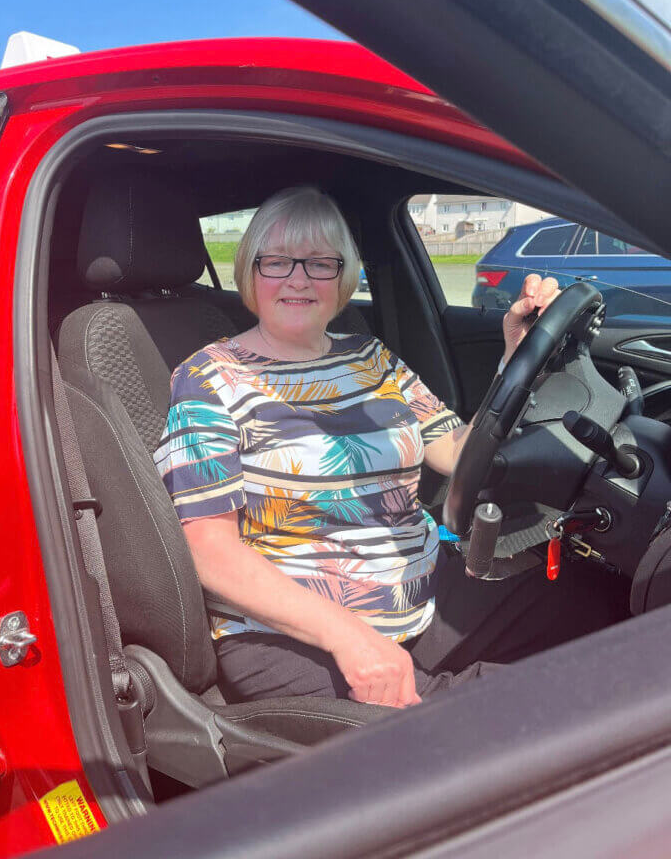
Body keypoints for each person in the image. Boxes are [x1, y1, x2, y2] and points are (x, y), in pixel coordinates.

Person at [154, 187, 627, 708]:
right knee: (530, 708)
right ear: (250, 270)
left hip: (421, 589)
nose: (298, 278)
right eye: (277, 261)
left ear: (343, 276)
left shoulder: (370, 357)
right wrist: (348, 636)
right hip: (294, 632)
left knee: (600, 607)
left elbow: (455, 452)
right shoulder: (209, 378)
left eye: (320, 263)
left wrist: (514, 357)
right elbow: (209, 549)